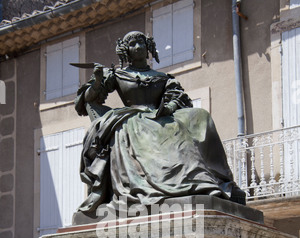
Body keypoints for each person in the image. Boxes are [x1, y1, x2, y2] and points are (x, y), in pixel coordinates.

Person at [74, 31, 245, 215]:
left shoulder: (162, 77)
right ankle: (174, 183)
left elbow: (178, 98)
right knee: (147, 128)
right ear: (126, 50)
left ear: (148, 47)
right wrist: (97, 81)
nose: (138, 47)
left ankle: (214, 179)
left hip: (162, 114)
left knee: (200, 115)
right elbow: (88, 101)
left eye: (141, 43)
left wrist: (170, 107)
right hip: (133, 118)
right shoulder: (117, 75)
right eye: (133, 44)